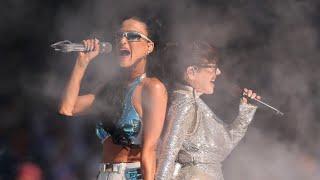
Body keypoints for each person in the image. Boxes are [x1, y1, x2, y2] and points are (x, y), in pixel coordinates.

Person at [58, 15, 167, 180]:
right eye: (119, 36)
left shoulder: (152, 88)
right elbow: (67, 108)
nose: (123, 41)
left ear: (149, 46)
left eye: (132, 36)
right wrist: (82, 63)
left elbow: (149, 151)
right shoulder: (109, 88)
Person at [156, 41, 260, 180]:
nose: (218, 72)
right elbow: (167, 153)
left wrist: (246, 112)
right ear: (191, 72)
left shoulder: (193, 102)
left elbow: (225, 146)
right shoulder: (185, 104)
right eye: (212, 68)